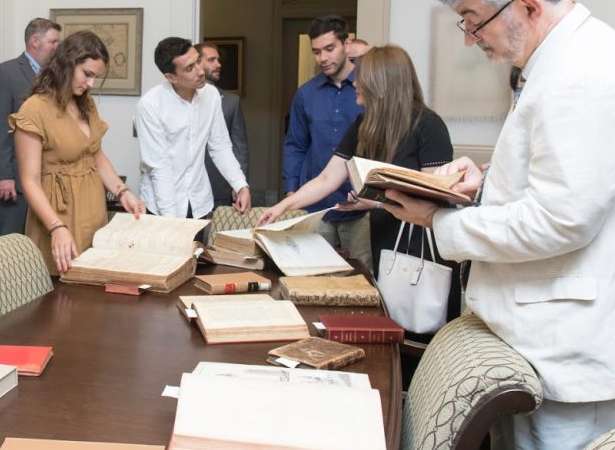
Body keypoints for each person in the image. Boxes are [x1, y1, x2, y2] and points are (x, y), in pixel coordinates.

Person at [385, 0, 615, 450]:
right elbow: (554, 182)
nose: (469, 38)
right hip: (536, 330)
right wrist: (484, 179)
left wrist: (441, 223)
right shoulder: (557, 61)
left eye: (472, 20)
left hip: (567, 340)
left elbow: (562, 218)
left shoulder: (580, 74)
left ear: (529, 6)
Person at [258, 46, 457, 285]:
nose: (354, 84)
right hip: (384, 236)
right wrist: (282, 206)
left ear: (380, 83)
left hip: (422, 243)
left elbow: (432, 198)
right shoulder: (363, 124)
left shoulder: (428, 125)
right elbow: (327, 179)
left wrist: (374, 202)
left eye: (361, 78)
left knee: (421, 319)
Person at [12, 31, 144, 274]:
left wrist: (122, 191)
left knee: (93, 285)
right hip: (57, 213)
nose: (90, 84)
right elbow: (29, 181)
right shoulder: (35, 108)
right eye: (87, 74)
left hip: (92, 207)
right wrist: (56, 227)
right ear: (67, 64)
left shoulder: (85, 103)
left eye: (96, 77)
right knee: (60, 296)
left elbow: (96, 156)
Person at [283, 15, 371, 272]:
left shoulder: (366, 89)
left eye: (329, 49)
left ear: (347, 43)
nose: (323, 58)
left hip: (359, 204)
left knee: (362, 278)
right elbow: (295, 145)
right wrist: (292, 191)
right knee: (313, 274)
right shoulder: (305, 94)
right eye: (316, 52)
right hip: (316, 207)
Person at [136, 37, 250, 220]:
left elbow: (220, 146)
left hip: (200, 203)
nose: (200, 71)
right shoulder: (150, 105)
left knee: (199, 249)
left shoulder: (211, 96)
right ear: (171, 77)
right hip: (162, 208)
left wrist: (240, 185)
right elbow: (159, 167)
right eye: (190, 68)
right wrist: (170, 221)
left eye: (198, 61)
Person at [0, 18, 61, 236]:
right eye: (53, 42)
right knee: (12, 244)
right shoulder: (5, 73)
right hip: (14, 180)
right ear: (35, 41)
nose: (58, 48)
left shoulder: (54, 77)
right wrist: (4, 175)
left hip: (45, 177)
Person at [195, 41, 249, 208]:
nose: (218, 64)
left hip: (219, 186)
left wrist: (239, 184)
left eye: (218, 60)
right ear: (197, 63)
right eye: (211, 60)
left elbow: (239, 147)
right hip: (184, 189)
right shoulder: (178, 98)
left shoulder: (231, 102)